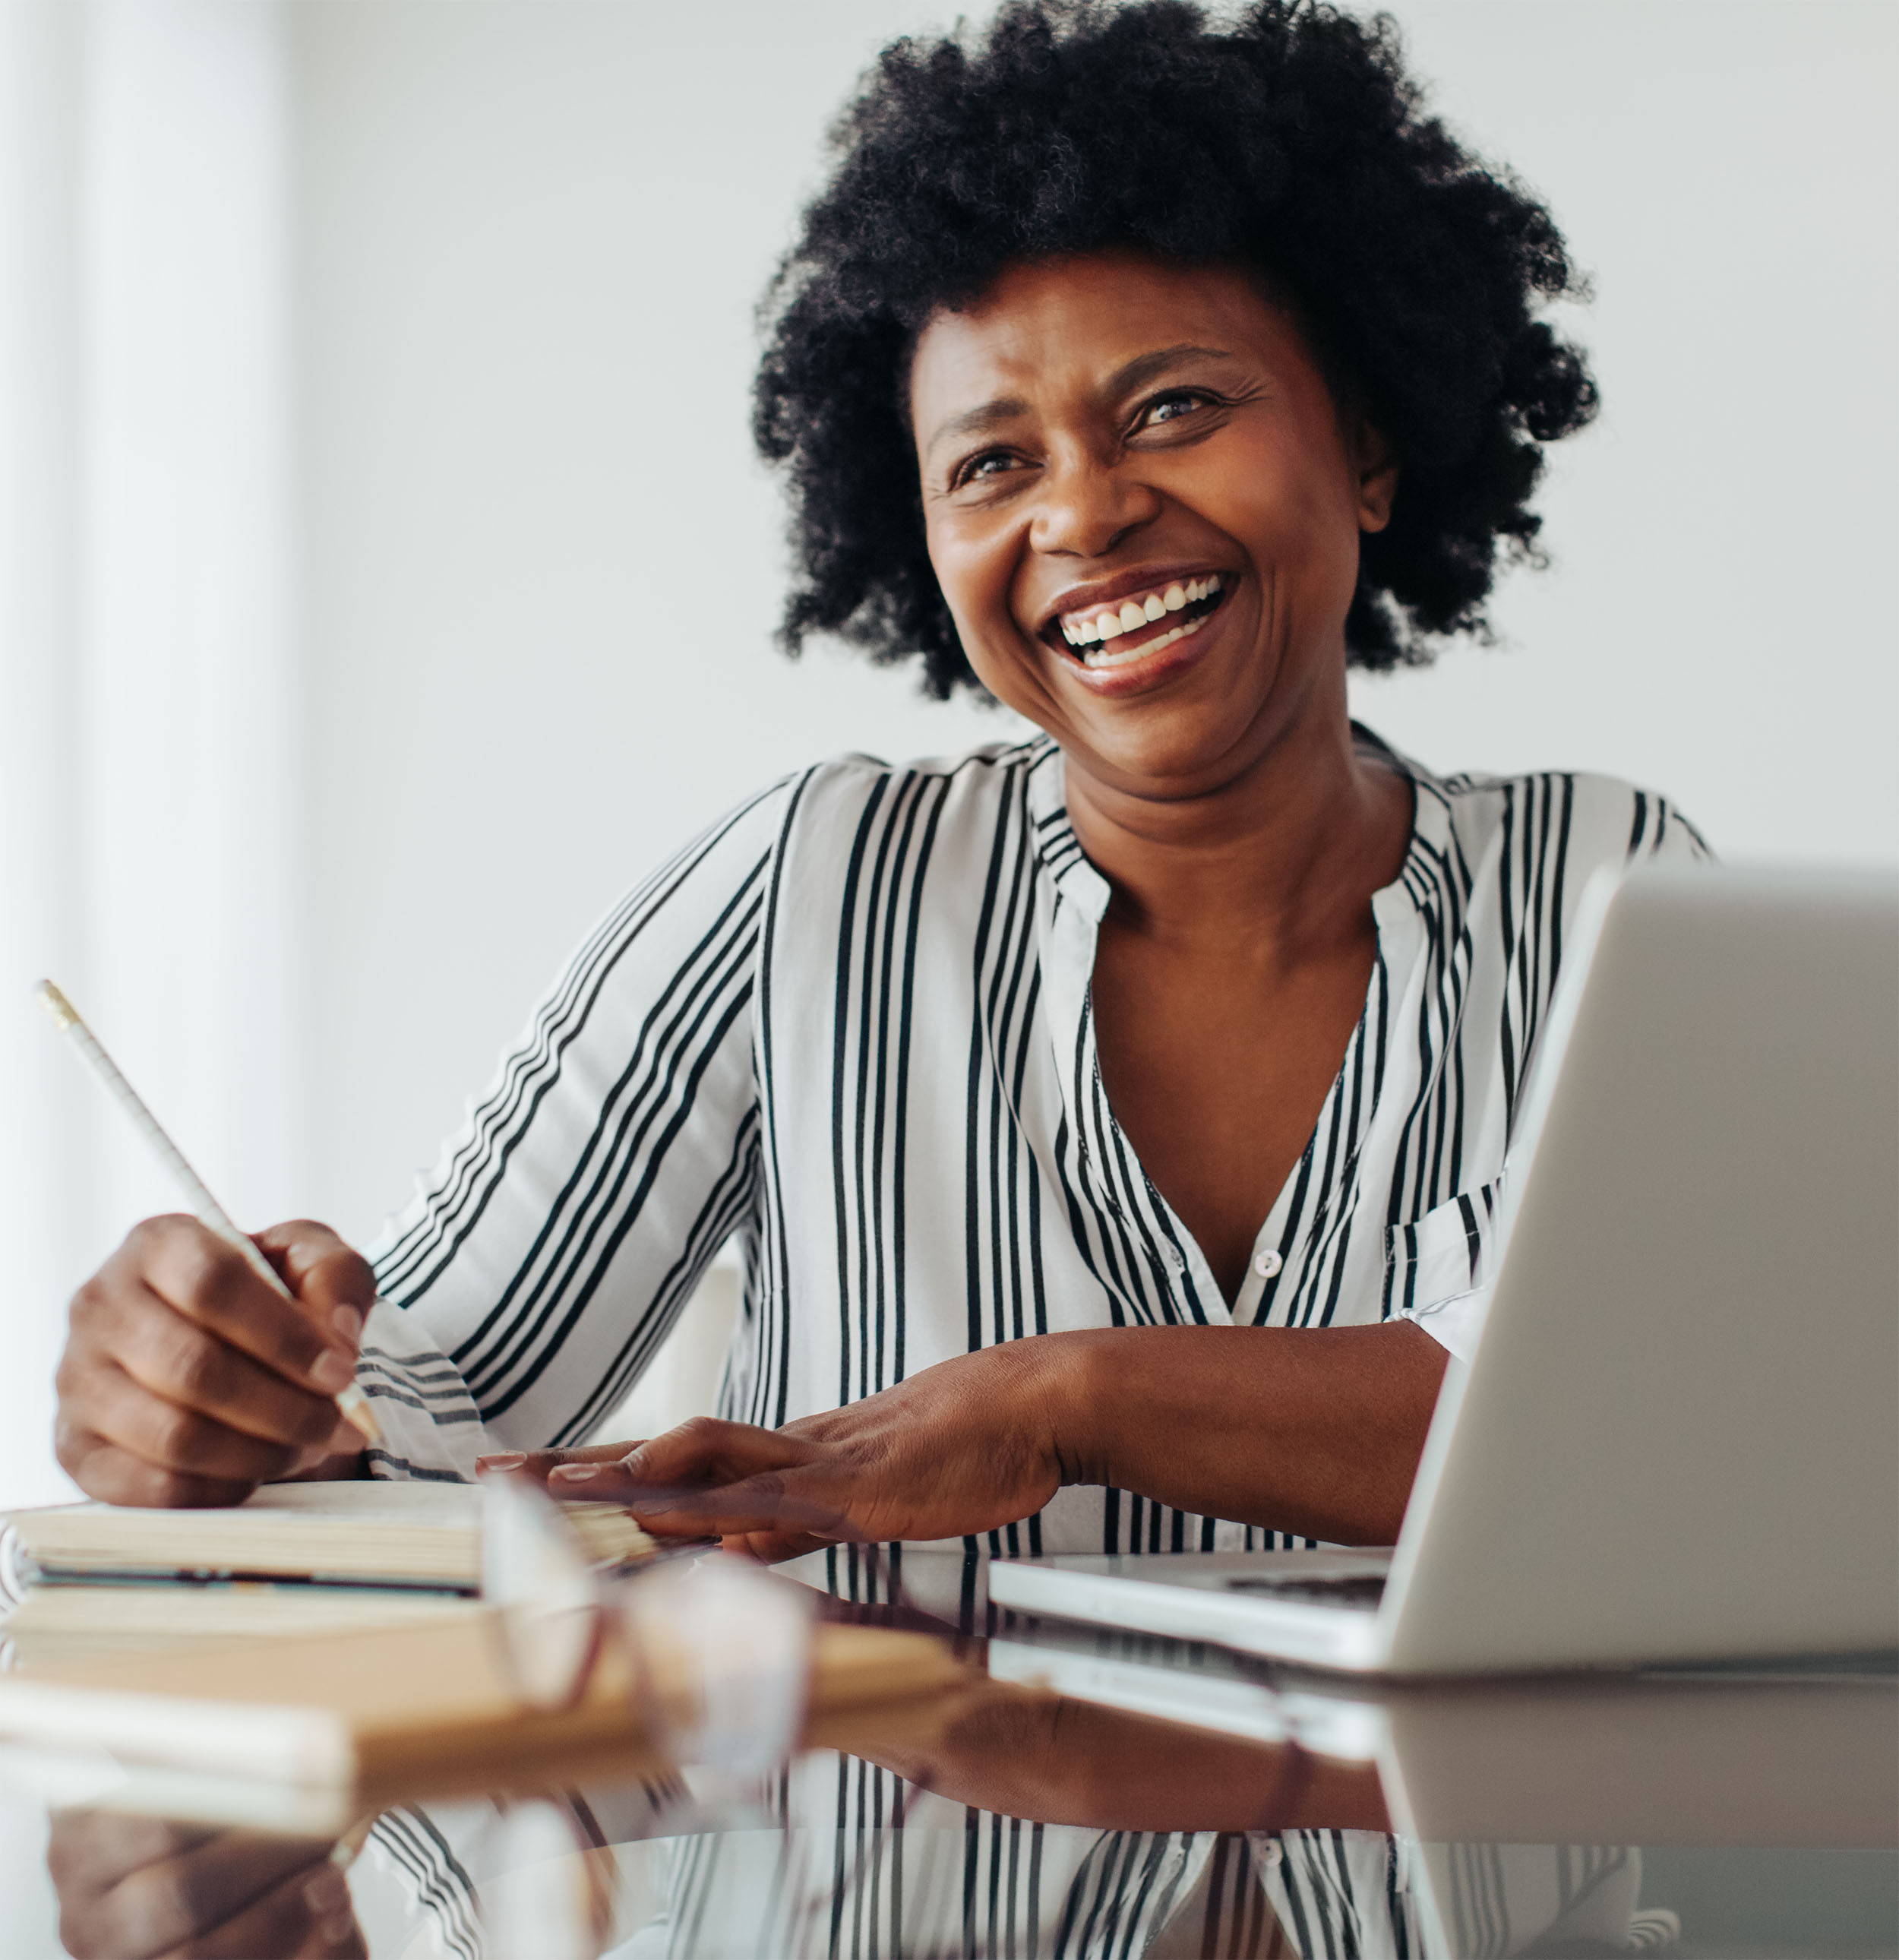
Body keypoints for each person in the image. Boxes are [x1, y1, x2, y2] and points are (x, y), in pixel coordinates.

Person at [51, 0, 1705, 1566]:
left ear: (1364, 445)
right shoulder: (806, 883)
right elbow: (442, 1397)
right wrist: (242, 1396)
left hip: (1441, 1858)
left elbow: (1644, 1429)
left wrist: (1057, 1405)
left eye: (1175, 406)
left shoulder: (1606, 887)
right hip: (891, 1860)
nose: (1082, 515)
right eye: (991, 464)